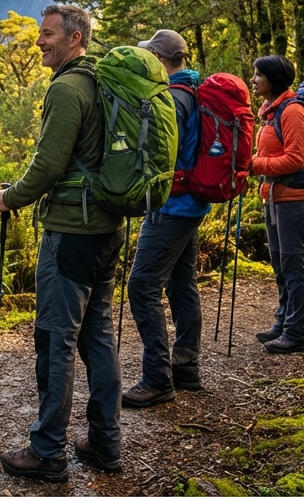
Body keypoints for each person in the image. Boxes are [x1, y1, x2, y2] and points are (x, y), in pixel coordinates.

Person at [0, 4, 125, 482]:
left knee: (55, 339)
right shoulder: (101, 81)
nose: (39, 41)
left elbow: (48, 165)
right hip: (107, 227)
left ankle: (48, 452)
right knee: (99, 336)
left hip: (72, 231)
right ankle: (106, 444)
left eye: (47, 34)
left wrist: (10, 197)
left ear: (75, 39)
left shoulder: (68, 88)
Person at [122, 29, 210, 408]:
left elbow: (159, 153)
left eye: (148, 56)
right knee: (181, 284)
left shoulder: (173, 99)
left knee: (142, 286)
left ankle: (157, 378)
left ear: (160, 58)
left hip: (171, 206)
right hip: (190, 203)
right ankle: (185, 367)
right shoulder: (195, 89)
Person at [249, 54, 304, 354]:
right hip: (276, 197)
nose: (253, 79)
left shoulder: (292, 111)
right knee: (280, 263)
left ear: (272, 80)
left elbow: (295, 158)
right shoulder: (270, 111)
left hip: (296, 199)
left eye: (258, 75)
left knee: (293, 264)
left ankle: (297, 331)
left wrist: (254, 165)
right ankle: (283, 322)